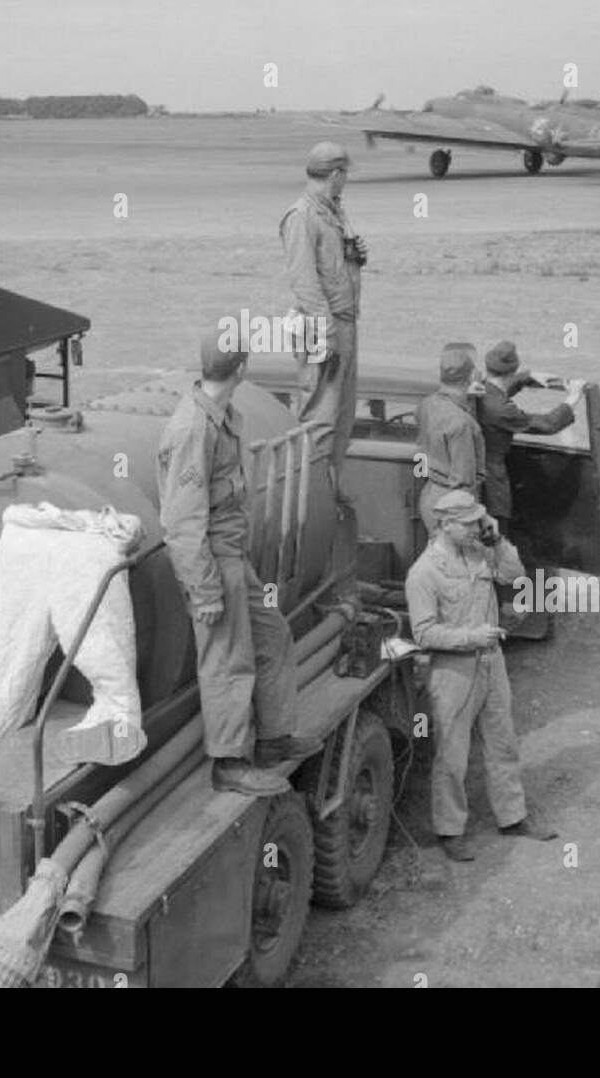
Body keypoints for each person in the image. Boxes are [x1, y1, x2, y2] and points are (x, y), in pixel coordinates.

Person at [157, 324, 321, 797]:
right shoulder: (193, 429)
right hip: (213, 563)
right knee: (229, 664)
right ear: (242, 369)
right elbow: (182, 524)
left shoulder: (220, 416)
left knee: (274, 636)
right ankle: (229, 764)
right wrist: (205, 591)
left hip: (234, 558)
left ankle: (273, 740)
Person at [405, 490, 558, 860]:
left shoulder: (480, 552)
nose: (477, 527)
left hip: (492, 663)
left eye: (479, 520)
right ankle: (450, 830)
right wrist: (471, 637)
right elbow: (423, 633)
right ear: (445, 525)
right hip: (453, 670)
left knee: (502, 741)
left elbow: (514, 573)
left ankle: (512, 816)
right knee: (452, 754)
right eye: (469, 522)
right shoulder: (424, 573)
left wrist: (497, 538)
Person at [279, 141, 364, 492]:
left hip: (344, 322)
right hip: (322, 327)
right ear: (335, 174)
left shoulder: (334, 211)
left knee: (341, 418)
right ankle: (311, 495)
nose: (345, 181)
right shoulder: (302, 217)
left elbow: (330, 268)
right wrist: (326, 332)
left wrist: (354, 259)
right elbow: (304, 282)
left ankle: (329, 488)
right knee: (320, 419)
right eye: (344, 174)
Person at [476, 340, 582, 528]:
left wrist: (527, 377)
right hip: (493, 478)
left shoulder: (480, 388)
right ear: (512, 371)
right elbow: (547, 424)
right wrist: (573, 397)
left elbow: (500, 389)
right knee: (498, 529)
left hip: (479, 470)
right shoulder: (501, 409)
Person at [416, 342, 485, 536]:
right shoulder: (461, 423)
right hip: (453, 503)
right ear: (471, 377)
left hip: (431, 493)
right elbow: (463, 480)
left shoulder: (428, 404)